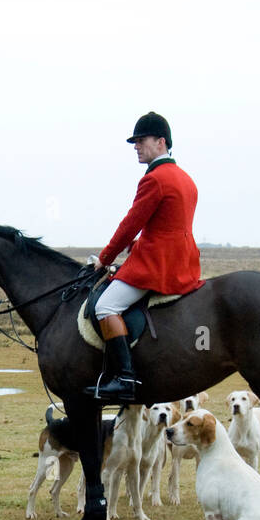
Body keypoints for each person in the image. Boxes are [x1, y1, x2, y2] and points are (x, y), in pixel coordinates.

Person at [86, 111, 202, 403]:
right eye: (134, 142)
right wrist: (140, 244)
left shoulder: (155, 178)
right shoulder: (185, 178)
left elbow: (130, 223)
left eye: (141, 140)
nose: (136, 146)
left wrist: (104, 258)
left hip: (158, 267)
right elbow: (170, 226)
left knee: (105, 305)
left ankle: (125, 378)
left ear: (161, 142)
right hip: (184, 262)